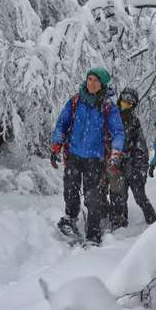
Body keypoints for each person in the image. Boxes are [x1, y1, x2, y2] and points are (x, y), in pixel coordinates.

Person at [50, 67, 125, 245]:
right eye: (89, 79)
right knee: (70, 190)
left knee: (93, 197)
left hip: (95, 159)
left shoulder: (108, 107)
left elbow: (118, 132)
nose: (91, 83)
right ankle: (70, 220)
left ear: (102, 84)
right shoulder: (76, 101)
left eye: (96, 80)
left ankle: (93, 234)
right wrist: (56, 146)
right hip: (74, 155)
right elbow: (62, 124)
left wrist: (115, 153)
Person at [108, 88, 156, 229]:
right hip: (116, 165)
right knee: (118, 197)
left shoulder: (134, 122)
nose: (125, 105)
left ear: (133, 105)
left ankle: (154, 224)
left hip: (133, 167)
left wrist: (142, 169)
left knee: (140, 197)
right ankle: (120, 226)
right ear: (120, 100)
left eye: (129, 103)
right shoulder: (112, 116)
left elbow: (141, 148)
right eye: (124, 101)